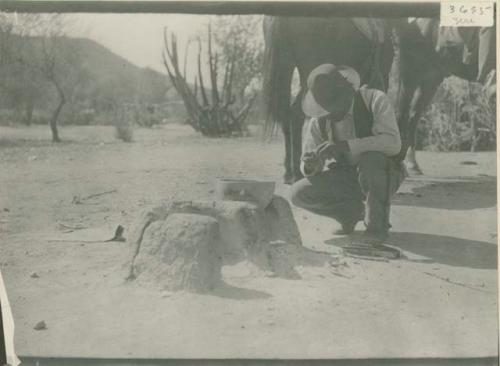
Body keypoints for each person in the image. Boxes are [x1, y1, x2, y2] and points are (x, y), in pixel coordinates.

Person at [290, 63, 406, 254]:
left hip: (383, 173)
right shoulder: (319, 119)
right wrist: (311, 165)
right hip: (346, 176)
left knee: (372, 161)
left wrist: (347, 145)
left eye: (336, 104)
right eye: (328, 106)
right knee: (298, 193)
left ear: (349, 92)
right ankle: (349, 214)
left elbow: (393, 143)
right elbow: (307, 160)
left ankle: (376, 228)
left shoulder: (375, 100)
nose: (332, 112)